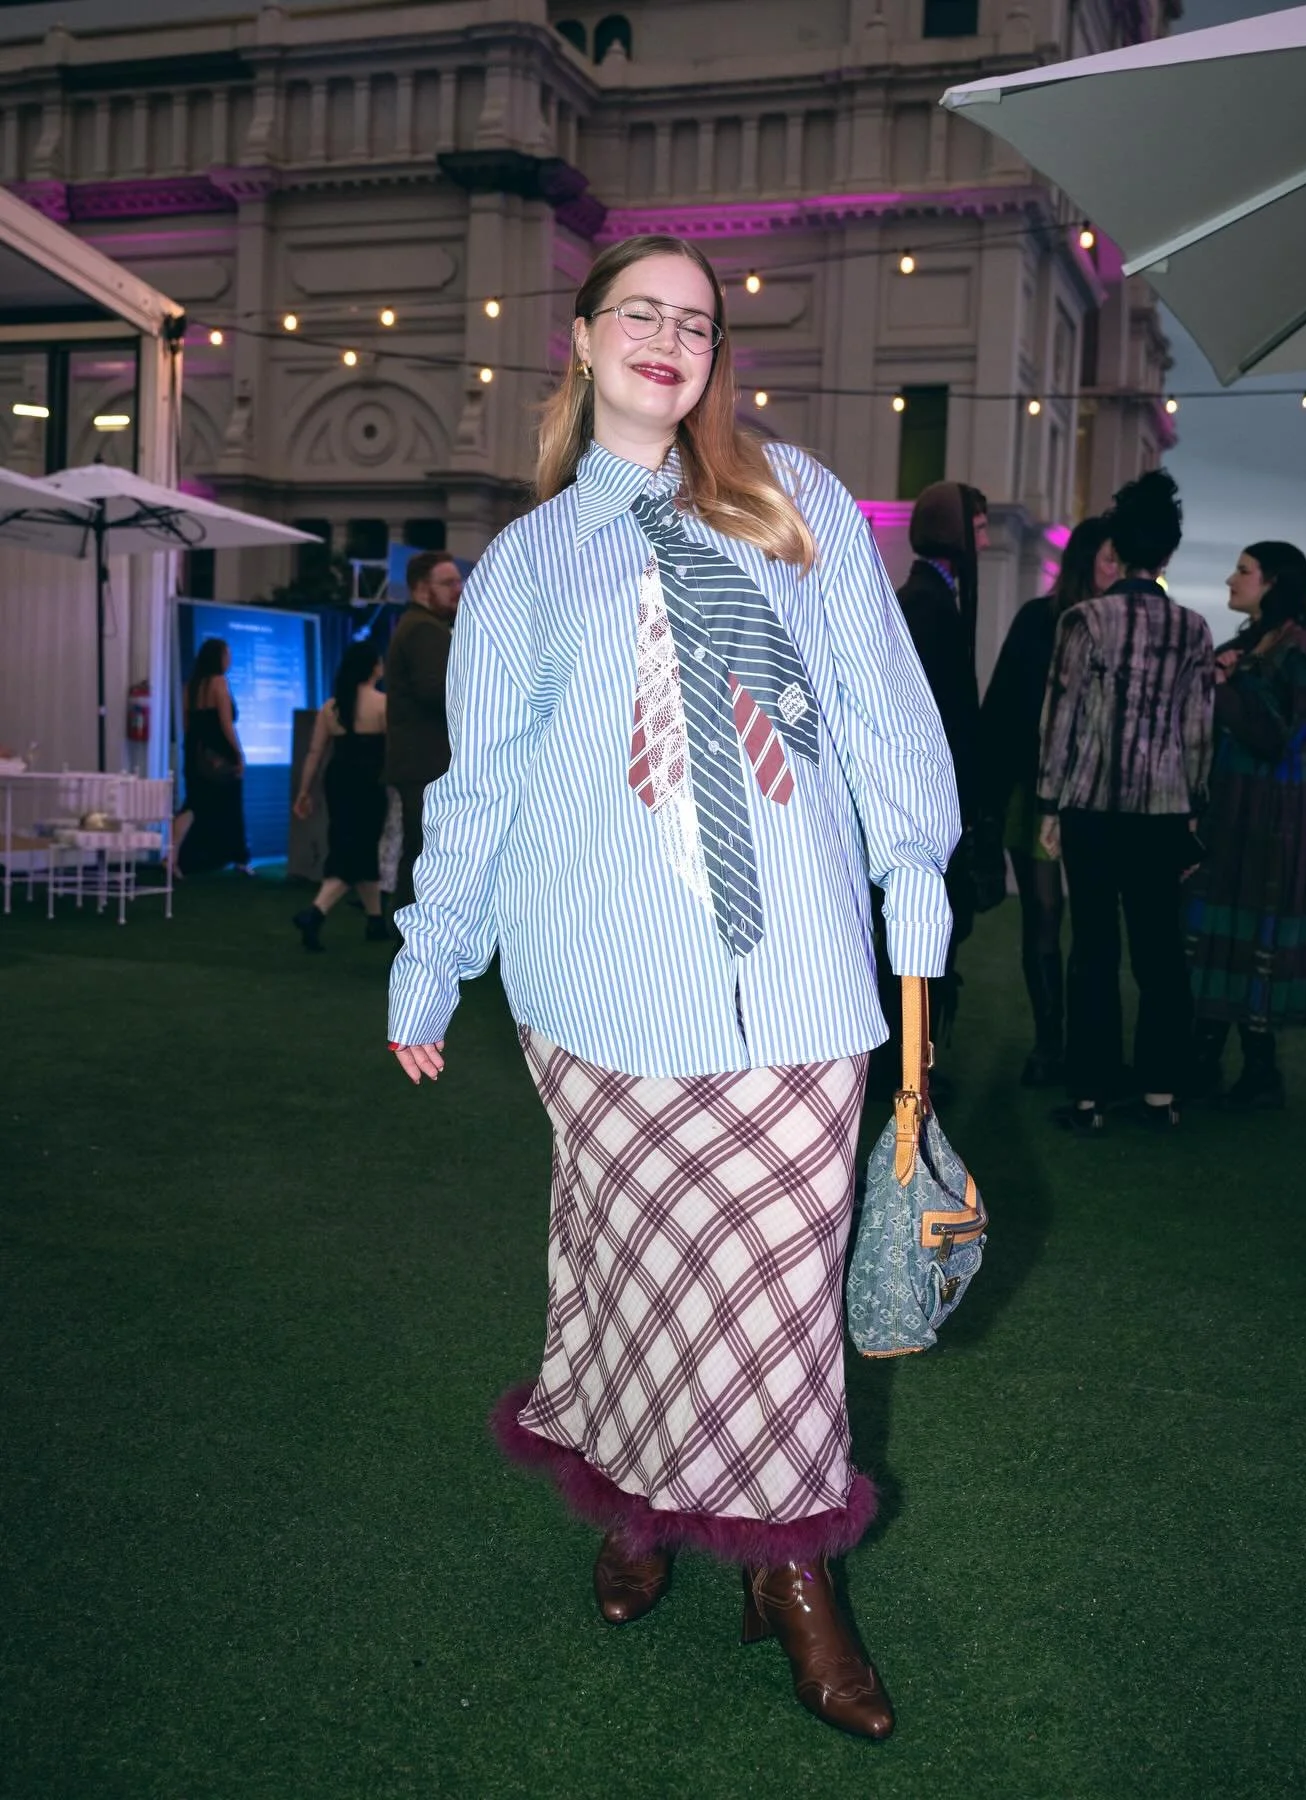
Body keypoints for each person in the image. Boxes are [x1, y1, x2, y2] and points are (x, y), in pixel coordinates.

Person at [387, 233, 959, 1739]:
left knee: (779, 1294)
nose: (667, 336)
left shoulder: (797, 502)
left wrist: (918, 886)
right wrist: (429, 956)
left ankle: (796, 1577)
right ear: (579, 340)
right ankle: (633, 1497)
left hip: (807, 978)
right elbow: (481, 787)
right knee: (633, 1269)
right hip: (596, 980)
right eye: (637, 311)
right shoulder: (525, 565)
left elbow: (883, 707)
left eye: (694, 321)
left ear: (715, 355)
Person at [1037, 469, 1213, 1134]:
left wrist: (1050, 806)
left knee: (1094, 949)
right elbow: (1199, 731)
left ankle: (1090, 1095)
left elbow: (1061, 720)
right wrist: (1194, 807)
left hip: (1091, 807)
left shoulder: (1087, 619)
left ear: (1121, 545)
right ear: (1166, 553)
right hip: (1164, 808)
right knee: (1162, 950)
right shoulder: (1192, 630)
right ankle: (1162, 1092)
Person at [1187, 544, 1306, 1108]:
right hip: (1238, 814)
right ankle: (1210, 1057)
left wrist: (1223, 688)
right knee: (1225, 929)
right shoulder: (1256, 645)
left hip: (1273, 823)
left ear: (1274, 582)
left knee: (1252, 931)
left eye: (1244, 571)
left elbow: (1277, 737)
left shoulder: (1298, 650)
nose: (1231, 579)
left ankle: (1255, 1069)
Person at [979, 517, 1120, 1085]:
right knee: (1042, 914)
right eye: (1110, 559)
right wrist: (986, 802)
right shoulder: (1041, 619)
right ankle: (1049, 1040)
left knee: (1086, 914)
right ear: (1088, 559)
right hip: (1033, 788)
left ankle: (1079, 1042)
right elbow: (1005, 707)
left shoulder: (1113, 625)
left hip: (1091, 791)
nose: (1116, 570)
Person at [894, 480, 989, 957]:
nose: (985, 543)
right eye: (977, 529)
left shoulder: (927, 598)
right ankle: (911, 1033)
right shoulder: (927, 604)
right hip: (924, 803)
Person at [290, 640, 389, 949]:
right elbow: (395, 751)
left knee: (351, 844)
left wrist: (304, 791)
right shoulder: (384, 704)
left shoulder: (331, 707)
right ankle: (315, 912)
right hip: (370, 782)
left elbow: (315, 753)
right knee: (359, 849)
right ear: (373, 667)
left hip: (339, 780)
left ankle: (375, 921)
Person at [383, 549, 463, 916]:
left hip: (422, 764)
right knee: (427, 857)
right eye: (447, 583)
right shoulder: (424, 630)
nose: (459, 589)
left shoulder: (417, 626)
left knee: (422, 853)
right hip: (428, 765)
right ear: (420, 588)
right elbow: (437, 692)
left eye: (458, 580)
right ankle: (414, 946)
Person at [173, 638, 251, 877]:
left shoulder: (190, 687)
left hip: (194, 752)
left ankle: (172, 855)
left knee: (193, 804)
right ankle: (239, 858)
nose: (229, 660)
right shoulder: (219, 683)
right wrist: (239, 754)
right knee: (230, 804)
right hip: (219, 753)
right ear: (217, 658)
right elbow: (227, 725)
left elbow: (186, 724)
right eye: (226, 655)